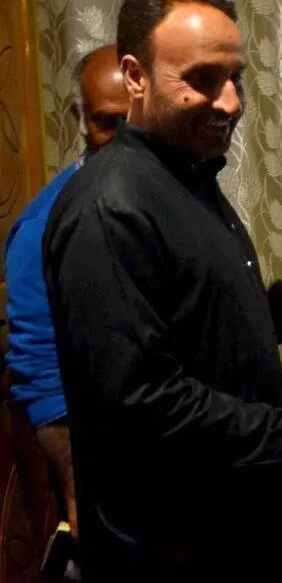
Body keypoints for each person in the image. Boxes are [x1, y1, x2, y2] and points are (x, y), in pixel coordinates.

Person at [42, 0, 282, 583]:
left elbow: (216, 332)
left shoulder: (187, 179)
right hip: (177, 550)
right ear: (135, 76)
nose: (231, 103)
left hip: (242, 527)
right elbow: (143, 400)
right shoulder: (109, 209)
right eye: (201, 79)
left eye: (235, 77)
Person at [5, 44, 129, 547]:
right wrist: (79, 490)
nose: (126, 141)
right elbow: (40, 371)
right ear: (79, 119)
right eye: (108, 123)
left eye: (137, 121)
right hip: (113, 473)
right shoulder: (45, 225)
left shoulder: (179, 195)